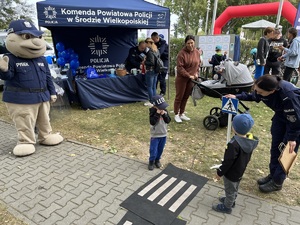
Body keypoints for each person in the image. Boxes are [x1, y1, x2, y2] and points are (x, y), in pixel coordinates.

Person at [225, 75, 300, 193]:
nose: (257, 93)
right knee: (276, 147)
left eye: (260, 91)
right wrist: (237, 96)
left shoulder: (288, 95)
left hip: (296, 121)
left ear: (272, 91)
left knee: (287, 152)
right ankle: (273, 174)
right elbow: (254, 96)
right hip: (281, 116)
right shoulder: (264, 88)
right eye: (256, 89)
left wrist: (292, 138)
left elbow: (295, 119)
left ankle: (277, 182)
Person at [212, 114, 259, 214]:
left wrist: (219, 173)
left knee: (230, 190)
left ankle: (227, 206)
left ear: (234, 128)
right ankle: (231, 200)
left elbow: (228, 161)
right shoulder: (250, 141)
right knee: (235, 187)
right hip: (240, 170)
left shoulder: (233, 144)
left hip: (231, 173)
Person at [174, 35, 200, 123]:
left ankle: (182, 113)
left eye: (191, 43)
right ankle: (176, 114)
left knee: (185, 97)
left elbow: (198, 64)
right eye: (188, 43)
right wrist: (188, 75)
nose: (190, 45)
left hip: (192, 79)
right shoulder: (181, 53)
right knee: (179, 97)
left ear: (194, 43)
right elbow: (180, 68)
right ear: (185, 44)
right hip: (182, 78)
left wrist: (196, 73)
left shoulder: (197, 52)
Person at [148, 94, 171, 170]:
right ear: (155, 106)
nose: (162, 108)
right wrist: (157, 114)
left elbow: (168, 121)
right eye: (160, 107)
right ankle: (151, 161)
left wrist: (164, 114)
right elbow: (152, 122)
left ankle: (157, 160)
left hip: (163, 134)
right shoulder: (152, 111)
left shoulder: (165, 111)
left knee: (160, 149)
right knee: (153, 149)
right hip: (155, 135)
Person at [151, 32, 169, 96]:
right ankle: (154, 91)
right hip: (157, 61)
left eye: (153, 39)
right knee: (155, 76)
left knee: (162, 77)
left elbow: (159, 52)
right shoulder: (154, 43)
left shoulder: (163, 43)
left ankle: (162, 92)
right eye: (151, 39)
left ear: (157, 38)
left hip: (164, 61)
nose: (152, 41)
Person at [144, 38, 159, 106]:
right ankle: (154, 101)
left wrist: (145, 62)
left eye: (146, 43)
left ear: (148, 43)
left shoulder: (150, 51)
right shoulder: (156, 50)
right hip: (156, 70)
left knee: (149, 86)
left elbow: (151, 62)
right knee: (153, 87)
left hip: (150, 70)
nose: (145, 45)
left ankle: (151, 101)